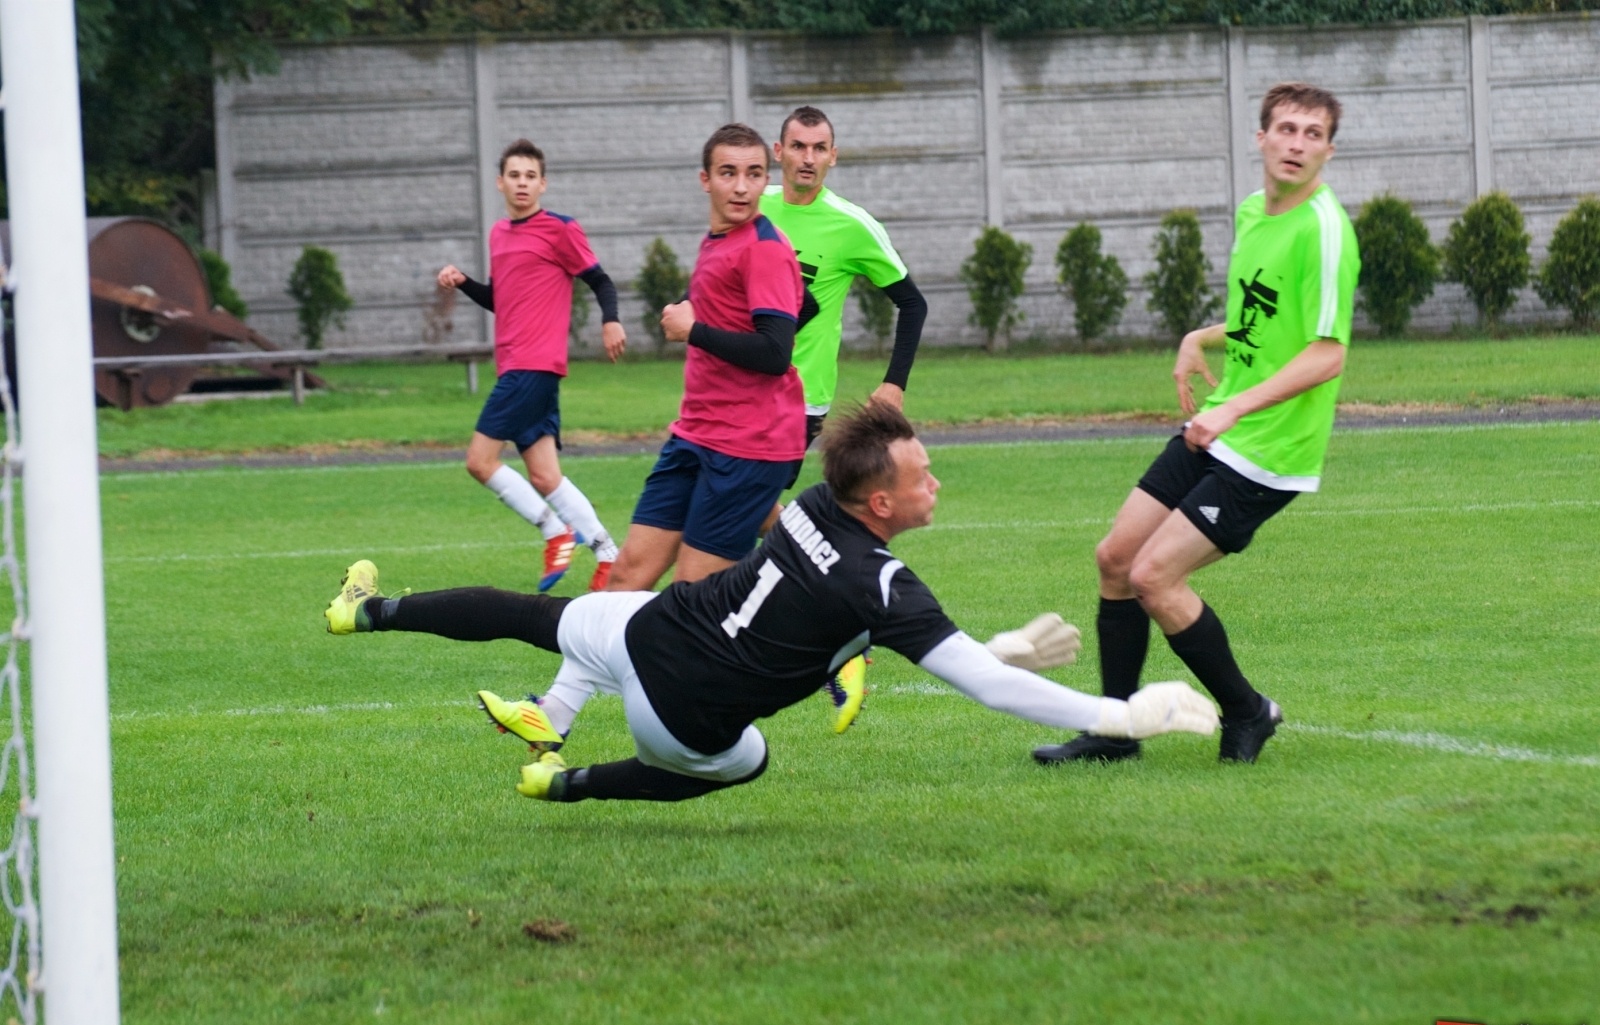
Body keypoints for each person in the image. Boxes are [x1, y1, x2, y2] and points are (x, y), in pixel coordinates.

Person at [323, 403, 1218, 804]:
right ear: (881, 503)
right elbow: (982, 687)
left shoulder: (819, 502)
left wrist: (995, 650)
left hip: (646, 629)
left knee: (531, 616)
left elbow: (861, 623)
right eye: (923, 475)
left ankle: (368, 609)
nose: (936, 483)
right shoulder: (885, 585)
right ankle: (567, 783)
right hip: (680, 721)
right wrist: (1123, 714)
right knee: (743, 763)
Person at [1032, 82, 1359, 768]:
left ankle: (1248, 710)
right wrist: (1199, 337)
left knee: (1154, 576)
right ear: (1261, 138)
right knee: (1115, 559)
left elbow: (1327, 354)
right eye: (1286, 129)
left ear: (1329, 150)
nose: (1297, 144)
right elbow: (1259, 318)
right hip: (1219, 428)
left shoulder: (1325, 231)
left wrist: (1234, 406)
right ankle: (1116, 732)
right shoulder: (1253, 212)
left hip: (1270, 448)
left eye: (1313, 134)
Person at [759, 105, 931, 730]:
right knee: (750, 518)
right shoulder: (755, 205)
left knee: (741, 516)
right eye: (798, 146)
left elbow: (912, 303)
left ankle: (842, 637)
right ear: (779, 151)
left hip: (795, 399)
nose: (808, 158)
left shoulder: (852, 225)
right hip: (736, 392)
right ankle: (842, 631)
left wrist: (893, 384)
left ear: (834, 156)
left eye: (819, 147)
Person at [604, 123, 808, 592]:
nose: (741, 187)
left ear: (766, 179)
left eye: (753, 174)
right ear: (705, 180)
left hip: (747, 446)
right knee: (626, 576)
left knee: (691, 598)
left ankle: (825, 604)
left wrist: (694, 330)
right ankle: (817, 571)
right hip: (695, 434)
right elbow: (803, 303)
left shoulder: (764, 249)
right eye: (728, 173)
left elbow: (776, 353)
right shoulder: (718, 238)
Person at [438, 138, 627, 593]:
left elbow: (601, 281)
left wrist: (610, 321)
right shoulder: (499, 234)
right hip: (517, 367)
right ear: (500, 183)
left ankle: (555, 532)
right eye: (514, 176)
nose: (522, 183)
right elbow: (501, 300)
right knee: (544, 475)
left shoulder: (560, 229)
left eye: (530, 176)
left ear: (543, 184)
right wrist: (464, 282)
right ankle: (607, 553)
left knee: (479, 462)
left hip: (534, 365)